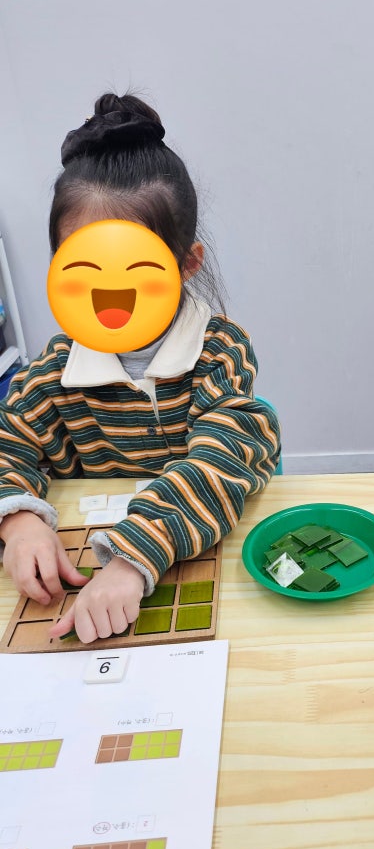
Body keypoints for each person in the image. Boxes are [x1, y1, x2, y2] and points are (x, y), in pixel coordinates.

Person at [0, 92, 281, 642]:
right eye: (86, 268)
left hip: (188, 563)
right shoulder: (52, 373)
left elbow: (228, 456)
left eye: (134, 270)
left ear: (186, 263)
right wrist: (20, 521)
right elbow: (8, 442)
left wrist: (132, 558)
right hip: (84, 567)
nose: (110, 293)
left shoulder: (218, 351)